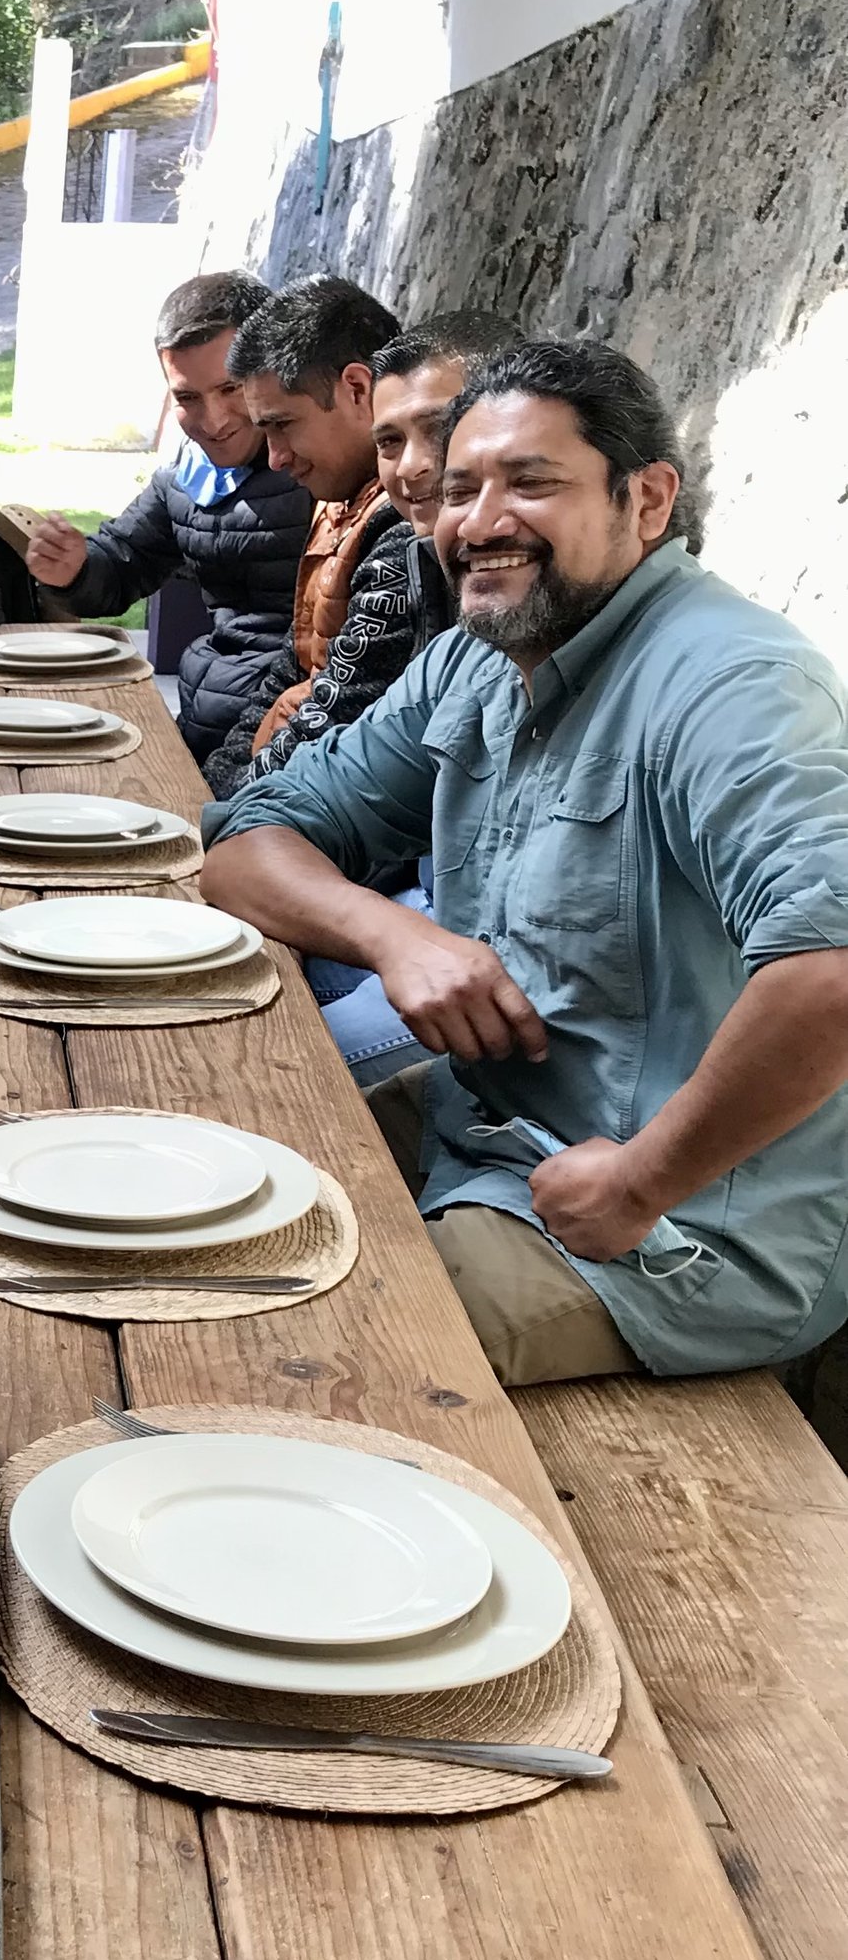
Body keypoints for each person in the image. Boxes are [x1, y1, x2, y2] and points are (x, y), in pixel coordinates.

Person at [204, 338, 848, 1387]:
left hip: (666, 1232)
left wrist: (641, 1183)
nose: (481, 520)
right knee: (201, 1171)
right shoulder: (477, 657)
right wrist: (395, 935)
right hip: (492, 1133)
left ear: (646, 500)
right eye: (461, 489)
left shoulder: (733, 686)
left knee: (301, 1358)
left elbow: (831, 972)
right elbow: (246, 839)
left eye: (531, 483)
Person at [255, 313, 513, 1093]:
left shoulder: (714, 677)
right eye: (391, 441)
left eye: (444, 432)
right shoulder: (454, 625)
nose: (416, 468)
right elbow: (273, 808)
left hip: (496, 970)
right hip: (428, 897)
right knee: (246, 968)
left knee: (272, 1062)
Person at [20, 269, 313, 773]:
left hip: (290, 748)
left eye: (231, 389)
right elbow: (122, 560)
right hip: (203, 731)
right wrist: (73, 569)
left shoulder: (323, 469)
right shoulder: (187, 475)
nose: (215, 420)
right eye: (187, 398)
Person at [205, 277, 409, 793]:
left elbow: (337, 716)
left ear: (358, 389)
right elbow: (288, 671)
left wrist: (219, 805)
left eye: (283, 425)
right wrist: (211, 785)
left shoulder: (403, 524)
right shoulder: (338, 499)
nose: (275, 457)